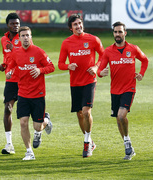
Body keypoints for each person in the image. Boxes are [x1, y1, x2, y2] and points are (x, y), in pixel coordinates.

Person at [97, 21, 148, 160]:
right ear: (113, 33)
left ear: (125, 33)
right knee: (118, 120)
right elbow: (100, 70)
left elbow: (145, 60)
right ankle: (127, 143)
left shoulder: (133, 48)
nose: (118, 34)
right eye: (115, 32)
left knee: (121, 115)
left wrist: (141, 74)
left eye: (120, 32)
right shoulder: (108, 51)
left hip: (129, 88)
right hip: (115, 90)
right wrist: (102, 73)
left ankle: (126, 142)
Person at [58, 14, 104, 158]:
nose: (79, 26)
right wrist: (68, 66)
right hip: (75, 82)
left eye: (80, 23)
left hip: (90, 81)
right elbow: (60, 64)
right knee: (79, 114)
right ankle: (90, 141)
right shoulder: (66, 43)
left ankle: (86, 144)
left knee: (86, 112)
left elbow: (104, 56)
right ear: (71, 28)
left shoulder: (93, 39)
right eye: (75, 25)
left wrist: (96, 67)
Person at [6, 26, 54, 160]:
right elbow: (11, 64)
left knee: (37, 126)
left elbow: (51, 67)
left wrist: (40, 70)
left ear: (31, 36)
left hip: (38, 94)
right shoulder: (16, 53)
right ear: (19, 38)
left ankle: (46, 122)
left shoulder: (39, 52)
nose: (26, 38)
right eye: (23, 36)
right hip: (22, 94)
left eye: (28, 35)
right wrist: (9, 72)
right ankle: (29, 152)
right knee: (23, 122)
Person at [0, 13, 22, 155]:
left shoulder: (25, 37)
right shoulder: (3, 39)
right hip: (11, 80)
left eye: (17, 23)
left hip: (24, 79)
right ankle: (9, 144)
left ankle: (44, 118)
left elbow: (26, 56)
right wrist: (4, 64)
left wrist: (13, 48)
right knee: (8, 109)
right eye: (13, 23)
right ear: (8, 25)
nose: (16, 26)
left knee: (29, 112)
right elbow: (6, 56)